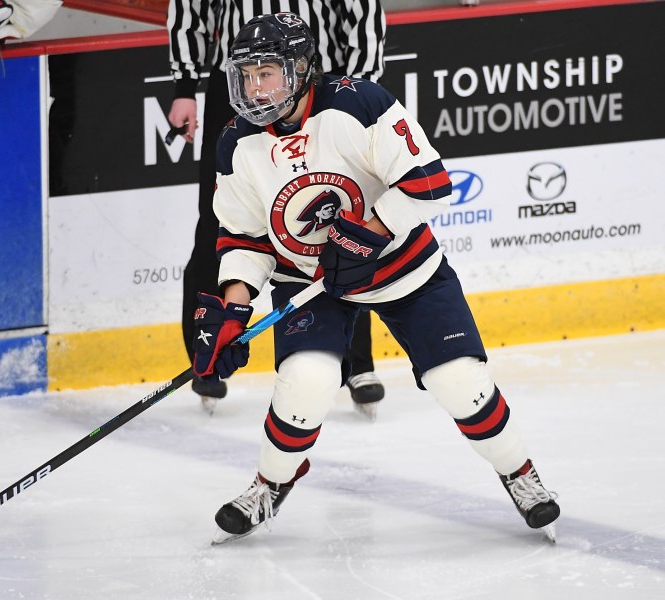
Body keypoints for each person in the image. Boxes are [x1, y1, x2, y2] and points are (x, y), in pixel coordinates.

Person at [191, 13, 561, 544]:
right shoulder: (235, 142)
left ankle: (519, 473)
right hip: (310, 280)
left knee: (460, 382)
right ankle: (271, 484)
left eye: (266, 73)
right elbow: (243, 238)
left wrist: (367, 232)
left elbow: (430, 180)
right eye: (246, 76)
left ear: (299, 69)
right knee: (307, 385)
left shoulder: (357, 103)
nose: (254, 88)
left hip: (404, 266)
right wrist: (233, 308)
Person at [167, 0, 387, 417]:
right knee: (222, 218)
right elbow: (191, 7)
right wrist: (184, 86)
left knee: (344, 211)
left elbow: (360, 11)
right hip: (240, 81)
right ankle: (210, 349)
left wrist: (358, 88)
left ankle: (357, 357)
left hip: (318, 86)